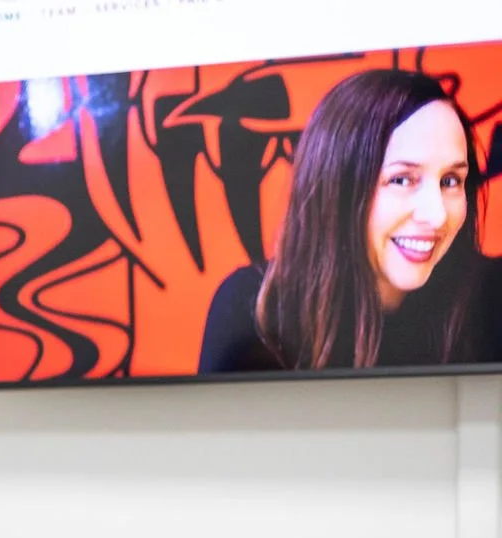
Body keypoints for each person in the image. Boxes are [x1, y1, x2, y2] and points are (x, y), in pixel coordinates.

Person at [198, 70, 487, 374]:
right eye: (401, 179)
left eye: (451, 180)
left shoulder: (490, 296)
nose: (437, 214)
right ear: (338, 186)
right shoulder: (252, 308)